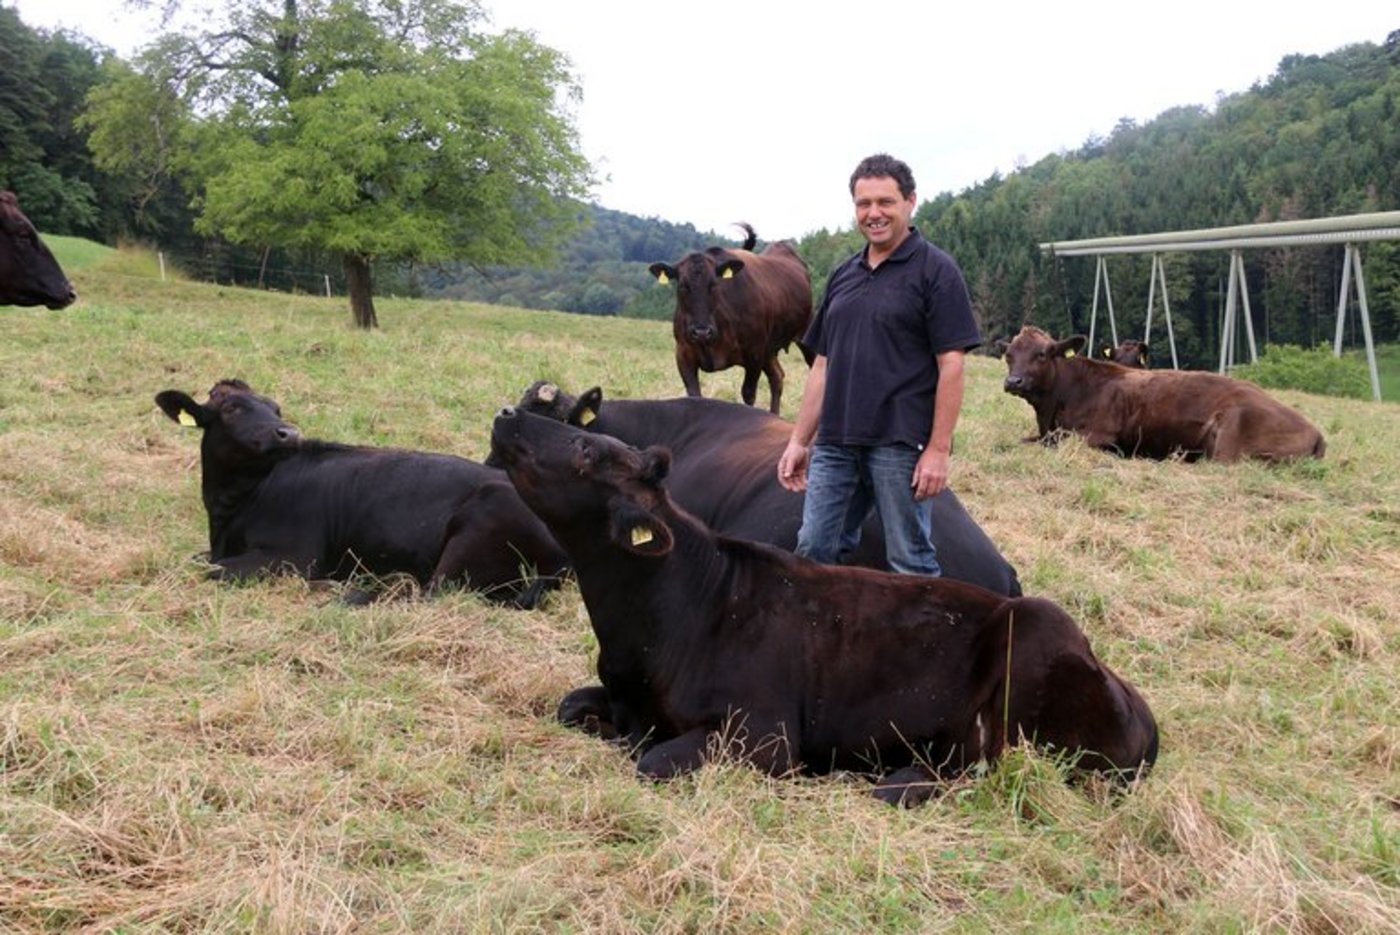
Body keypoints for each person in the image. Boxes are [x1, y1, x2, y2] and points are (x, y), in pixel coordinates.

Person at [777, 153, 981, 575]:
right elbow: (823, 365)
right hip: (835, 442)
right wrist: (800, 439)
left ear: (910, 202)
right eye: (863, 204)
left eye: (885, 202)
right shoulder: (844, 274)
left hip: (899, 444)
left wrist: (939, 450)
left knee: (910, 558)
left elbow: (952, 366)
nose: (874, 214)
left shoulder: (936, 272)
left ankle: (923, 641)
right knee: (814, 547)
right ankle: (822, 639)